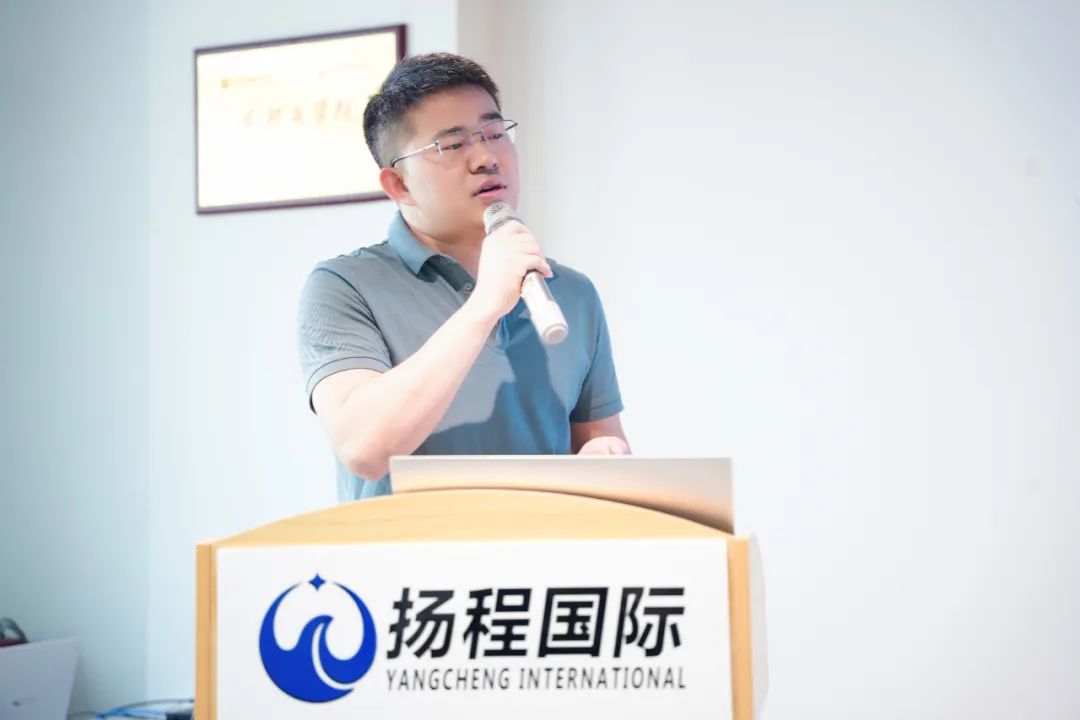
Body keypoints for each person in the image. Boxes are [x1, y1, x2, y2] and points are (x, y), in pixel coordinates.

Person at [297, 53, 628, 502]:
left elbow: (598, 441)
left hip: (541, 546)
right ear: (399, 185)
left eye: (495, 133)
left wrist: (604, 457)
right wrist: (485, 304)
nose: (487, 158)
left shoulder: (571, 292)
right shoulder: (344, 286)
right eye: (452, 146)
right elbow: (363, 449)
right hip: (405, 548)